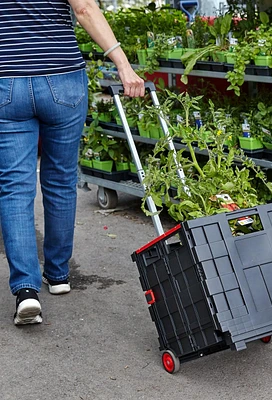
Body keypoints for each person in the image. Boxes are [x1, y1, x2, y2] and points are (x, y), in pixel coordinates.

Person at [0, 0, 144, 326]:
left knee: (14, 187)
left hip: (7, 81)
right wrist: (122, 64)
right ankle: (58, 274)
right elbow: (85, 10)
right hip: (62, 79)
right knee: (61, 179)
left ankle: (25, 291)